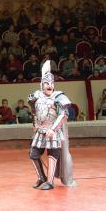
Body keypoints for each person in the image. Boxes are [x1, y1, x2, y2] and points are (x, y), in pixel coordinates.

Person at [28, 60, 76, 190]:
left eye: (51, 83)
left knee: (52, 153)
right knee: (33, 154)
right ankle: (41, 178)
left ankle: (50, 182)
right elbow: (33, 111)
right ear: (42, 85)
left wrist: (53, 129)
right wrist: (34, 124)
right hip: (40, 130)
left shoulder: (58, 96)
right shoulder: (36, 96)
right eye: (47, 83)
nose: (49, 86)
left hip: (53, 131)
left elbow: (63, 115)